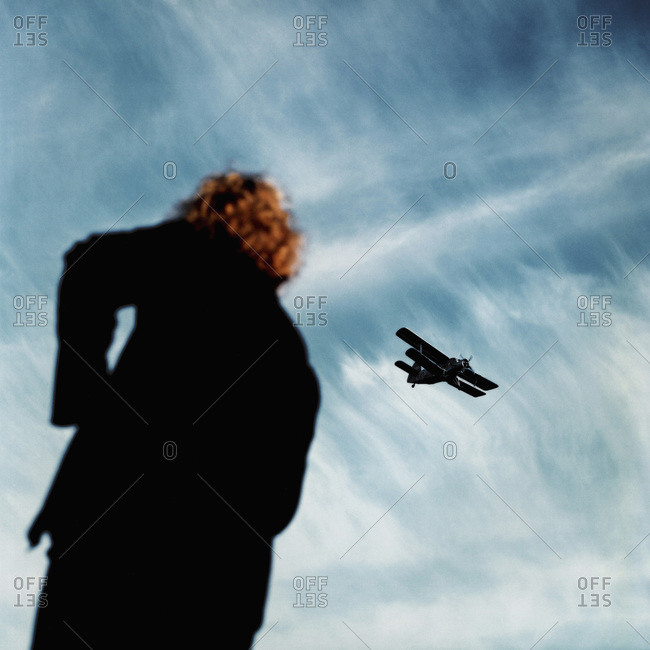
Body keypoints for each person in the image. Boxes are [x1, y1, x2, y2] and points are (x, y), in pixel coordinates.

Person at [27, 171, 320, 648]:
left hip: (109, 551)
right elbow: (278, 502)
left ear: (212, 215)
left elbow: (88, 265)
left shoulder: (190, 253)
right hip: (216, 597)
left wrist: (85, 397)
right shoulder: (291, 359)